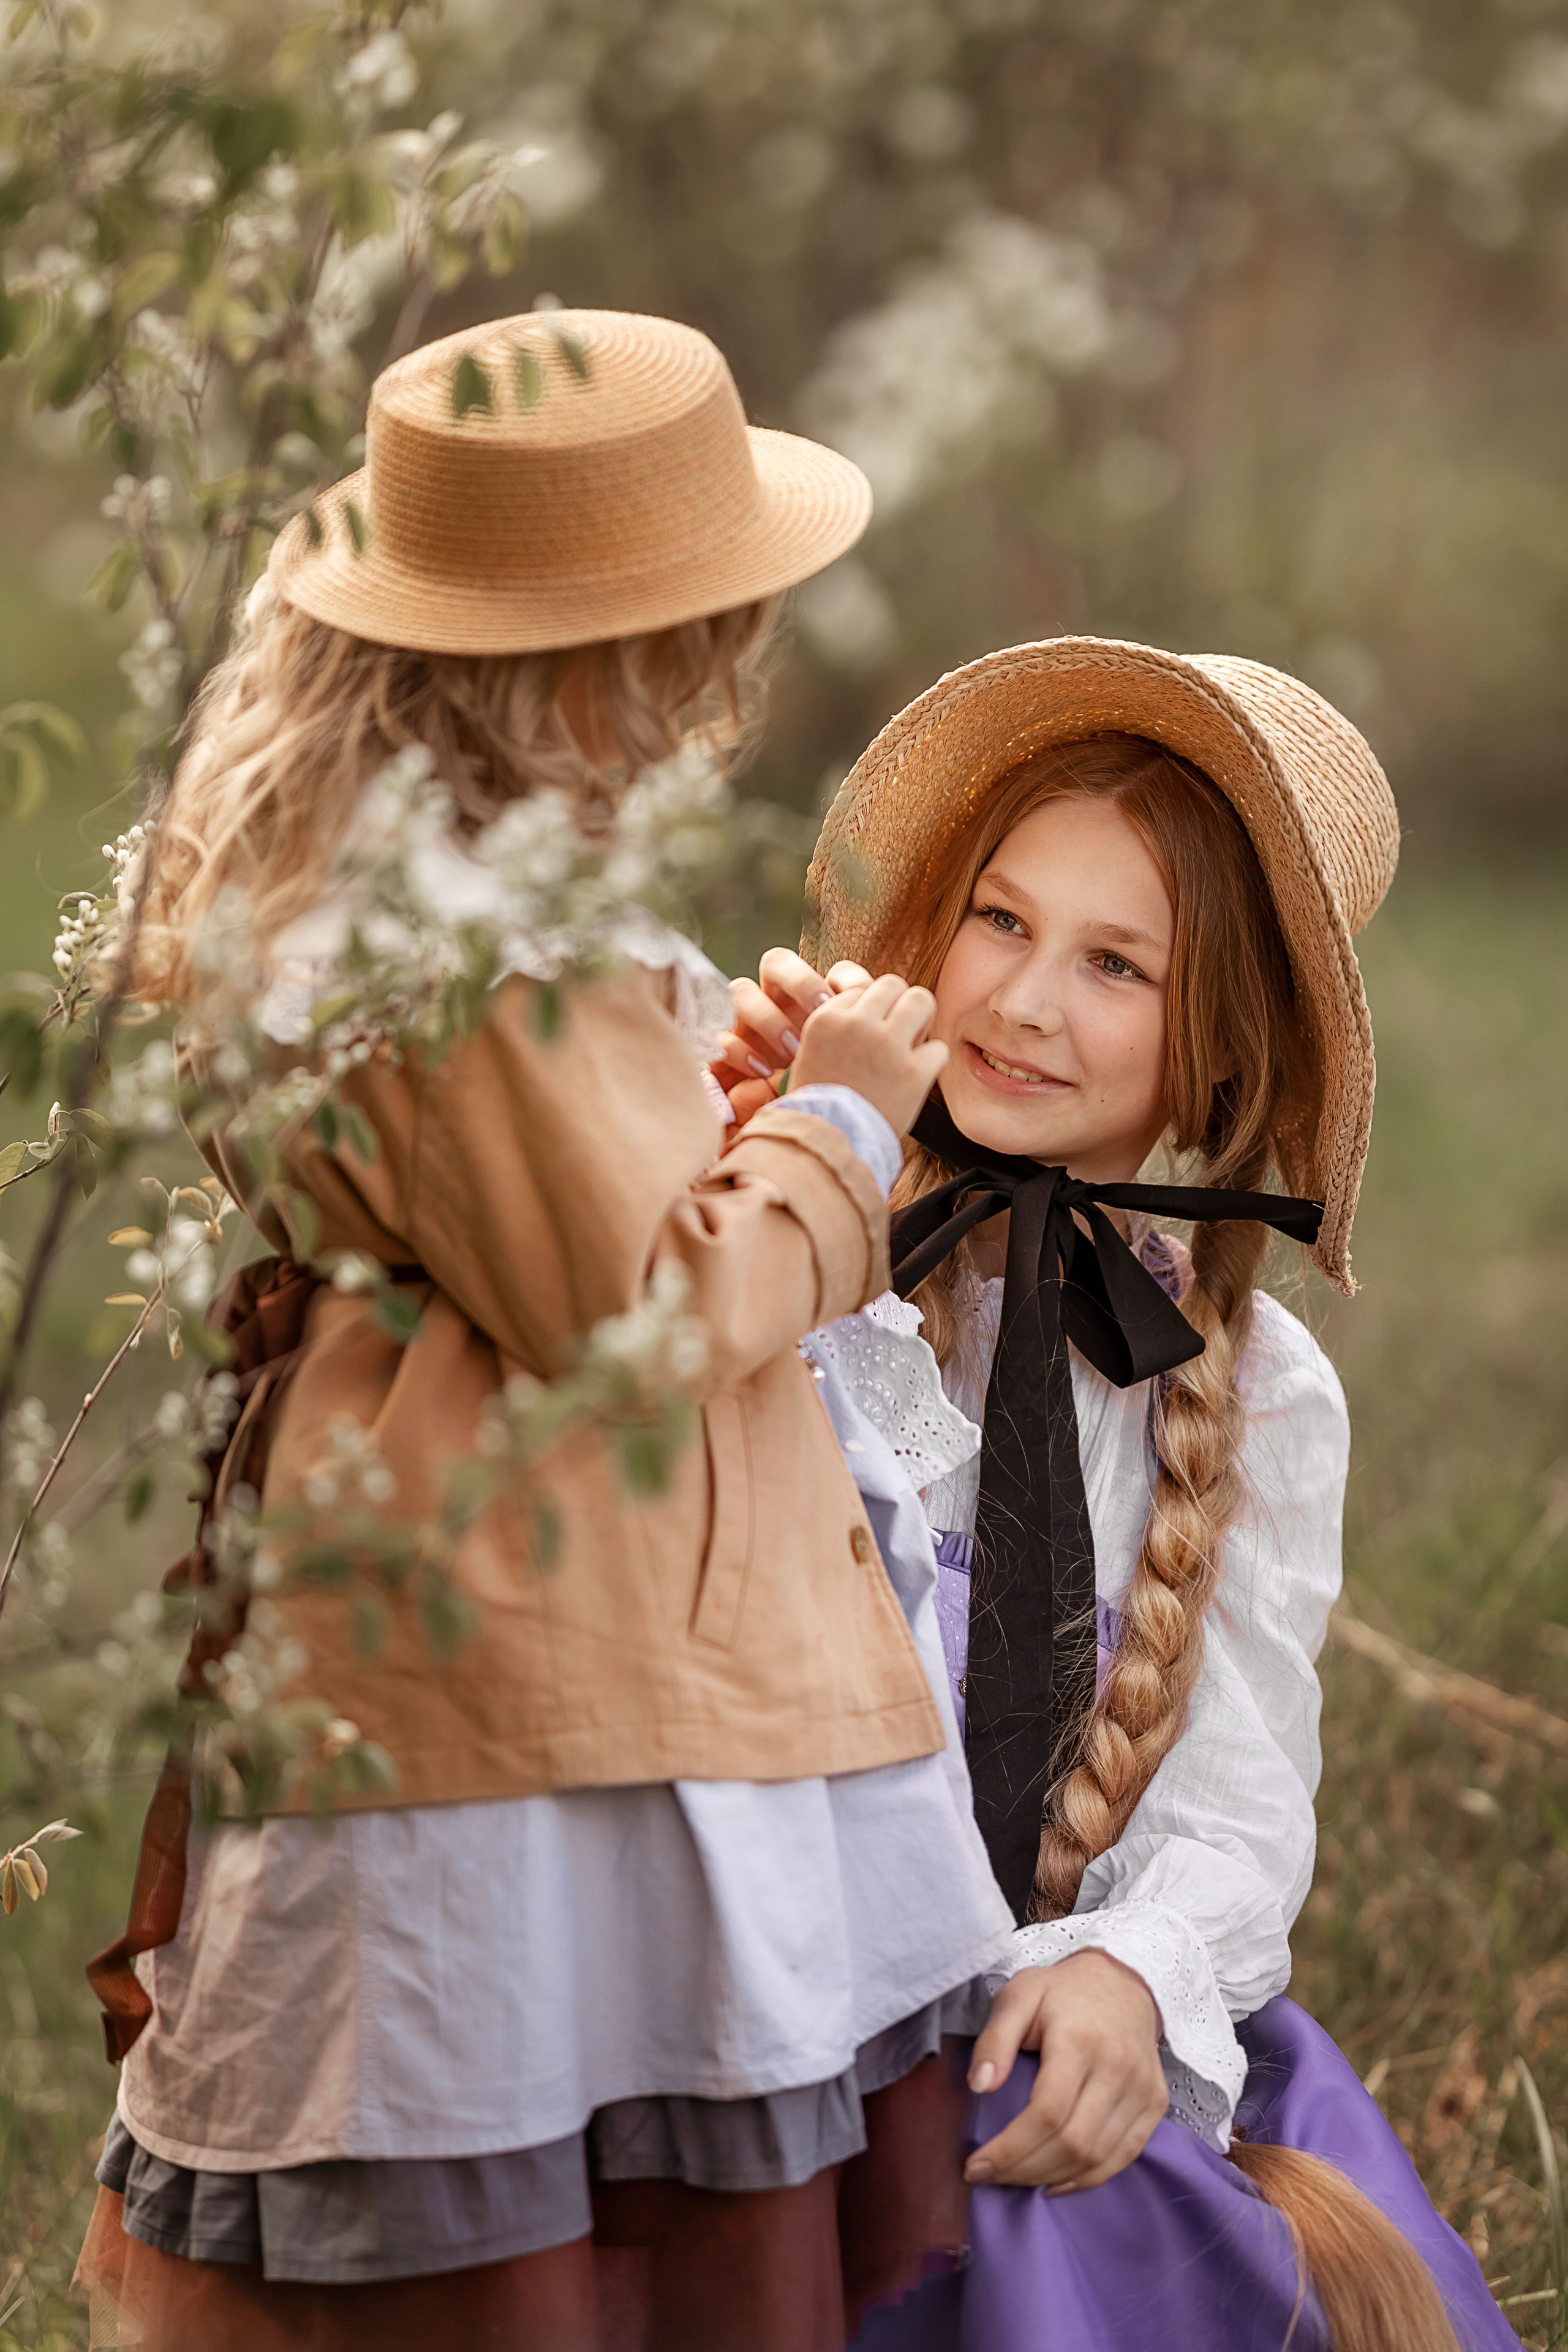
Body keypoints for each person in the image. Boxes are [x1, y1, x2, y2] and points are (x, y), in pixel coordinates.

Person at [73, 310, 1016, 2352]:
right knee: (556, 2156)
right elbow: (643, 1319)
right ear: (619, 669)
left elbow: (550, 1224)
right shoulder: (498, 951)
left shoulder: (373, 917)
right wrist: (844, 1120)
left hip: (449, 1626)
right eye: (708, 638)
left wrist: (722, 1119)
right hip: (564, 1679)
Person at [714, 637, 1520, 2350]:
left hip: (1095, 1989)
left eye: (1116, 965)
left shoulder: (1268, 1395)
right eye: (999, 920)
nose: (1020, 1001)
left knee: (1110, 2179)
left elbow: (1236, 1795)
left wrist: (1123, 1973)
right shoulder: (807, 1260)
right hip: (795, 1989)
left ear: (1215, 1048)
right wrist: (769, 1165)